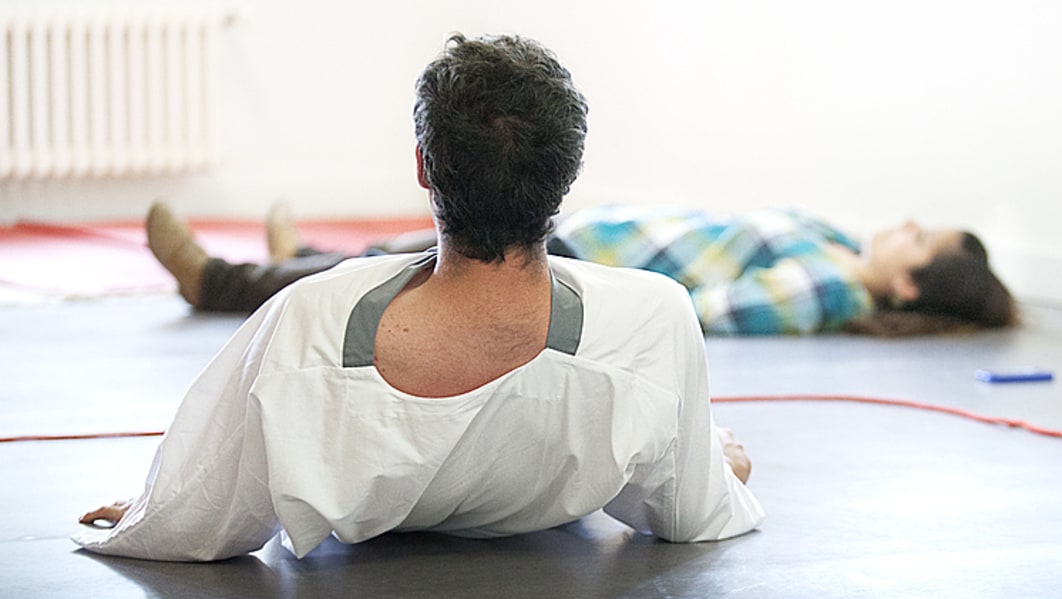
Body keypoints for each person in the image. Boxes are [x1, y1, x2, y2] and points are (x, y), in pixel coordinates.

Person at [75, 34, 763, 562]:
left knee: (360, 276)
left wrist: (155, 510)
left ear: (422, 169)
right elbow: (692, 514)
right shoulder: (652, 319)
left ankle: (237, 268)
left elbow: (202, 515)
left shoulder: (308, 321)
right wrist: (711, 461)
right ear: (567, 175)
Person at [148, 203, 1016, 337]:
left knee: (403, 267)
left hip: (576, 264)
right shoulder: (832, 237)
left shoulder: (824, 286)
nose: (901, 226)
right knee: (399, 250)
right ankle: (287, 259)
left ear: (907, 286)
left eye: (917, 241)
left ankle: (221, 281)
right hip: (587, 232)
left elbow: (699, 305)